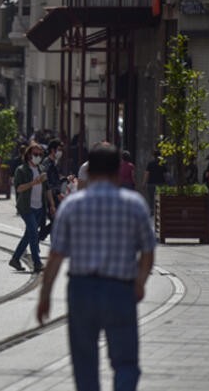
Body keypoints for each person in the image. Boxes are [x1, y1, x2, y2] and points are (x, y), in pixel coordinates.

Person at [37, 144, 155, 391]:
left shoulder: (72, 206)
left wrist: (45, 295)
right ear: (117, 171)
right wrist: (140, 283)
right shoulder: (134, 205)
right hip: (120, 290)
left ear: (88, 171)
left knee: (85, 362)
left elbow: (56, 255)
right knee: (125, 362)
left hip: (82, 290)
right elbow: (147, 250)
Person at [10, 143, 55, 273]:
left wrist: (51, 205)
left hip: (39, 207)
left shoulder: (41, 169)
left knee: (29, 235)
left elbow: (47, 189)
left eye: (40, 155)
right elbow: (18, 188)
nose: (38, 157)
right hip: (26, 207)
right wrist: (34, 182)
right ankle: (37, 263)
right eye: (35, 154)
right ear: (29, 155)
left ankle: (15, 259)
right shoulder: (21, 170)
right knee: (34, 235)